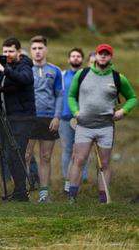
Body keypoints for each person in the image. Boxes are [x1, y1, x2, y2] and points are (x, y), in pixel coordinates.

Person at [67, 44, 137, 203]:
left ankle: (103, 199)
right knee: (78, 160)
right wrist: (75, 112)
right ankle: (71, 197)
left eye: (107, 54)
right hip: (84, 126)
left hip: (106, 127)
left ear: (111, 57)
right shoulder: (82, 74)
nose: (103, 56)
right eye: (101, 54)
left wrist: (123, 111)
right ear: (96, 56)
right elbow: (71, 96)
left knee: (104, 164)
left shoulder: (118, 77)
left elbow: (133, 98)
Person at [0, 37, 36, 201]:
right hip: (8, 118)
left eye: (11, 51)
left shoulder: (24, 65)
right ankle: (19, 191)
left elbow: (25, 79)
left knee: (16, 153)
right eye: (5, 51)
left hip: (24, 118)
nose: (7, 54)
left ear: (18, 51)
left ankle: (21, 193)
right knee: (9, 155)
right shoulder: (6, 68)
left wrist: (4, 70)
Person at [24, 35, 62, 203]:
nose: (37, 52)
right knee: (25, 155)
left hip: (49, 118)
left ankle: (44, 193)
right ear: (30, 50)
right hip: (30, 118)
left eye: (40, 48)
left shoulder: (55, 70)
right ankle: (23, 190)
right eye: (34, 48)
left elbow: (60, 95)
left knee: (45, 157)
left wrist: (57, 116)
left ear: (46, 49)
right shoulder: (25, 69)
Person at [59, 48, 89, 193]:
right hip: (65, 118)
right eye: (73, 56)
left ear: (82, 60)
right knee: (67, 149)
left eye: (78, 56)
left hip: (83, 119)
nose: (76, 58)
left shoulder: (87, 75)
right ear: (68, 59)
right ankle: (67, 177)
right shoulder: (62, 75)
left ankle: (82, 177)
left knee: (83, 149)